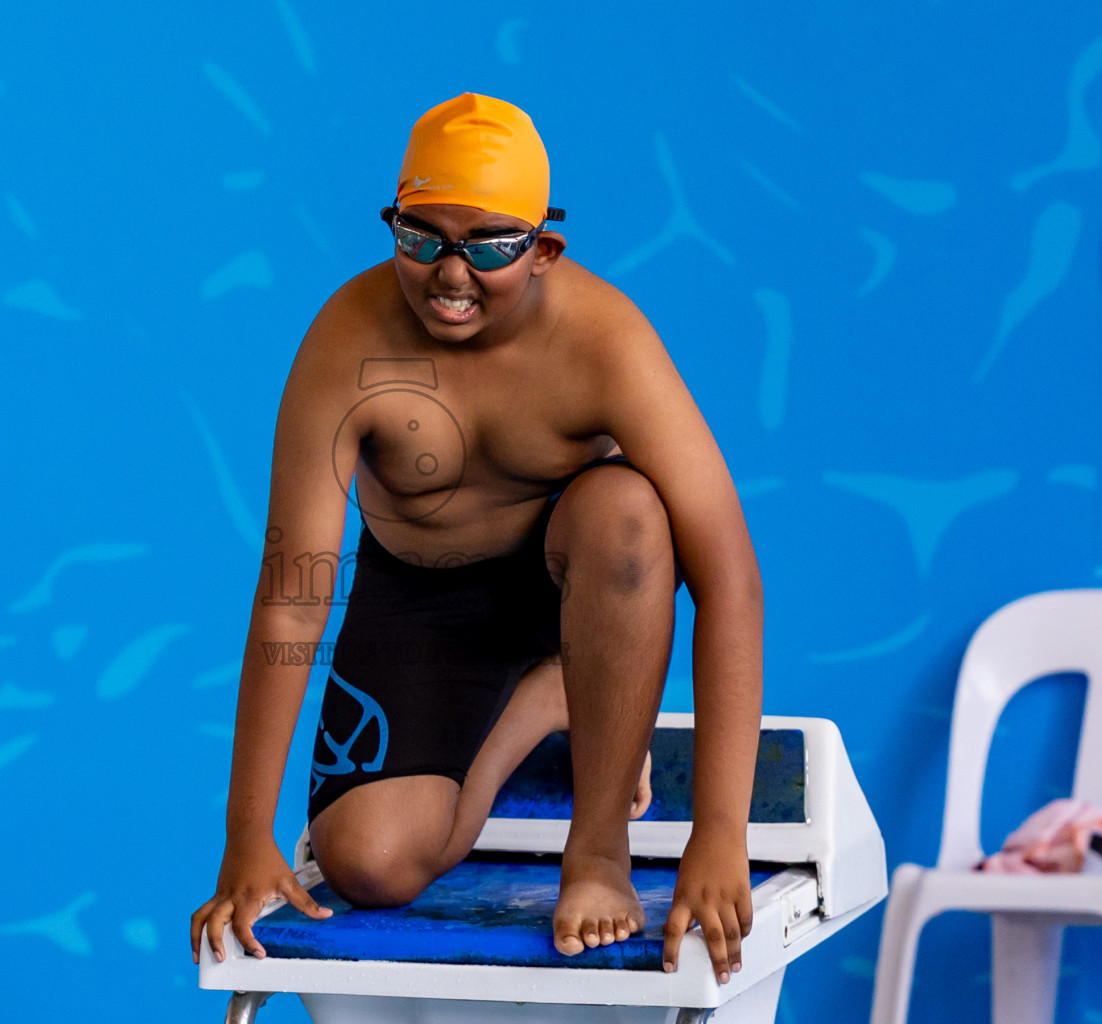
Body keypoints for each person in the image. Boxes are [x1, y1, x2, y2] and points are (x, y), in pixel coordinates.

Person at [190, 93, 763, 983]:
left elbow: (728, 578)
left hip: (580, 590)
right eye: (422, 238)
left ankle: (598, 848)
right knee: (368, 864)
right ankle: (548, 698)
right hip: (424, 599)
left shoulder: (606, 343)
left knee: (630, 513)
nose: (450, 274)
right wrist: (246, 834)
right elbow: (294, 596)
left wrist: (719, 833)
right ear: (393, 224)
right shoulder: (348, 341)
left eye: (489, 247)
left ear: (542, 251)